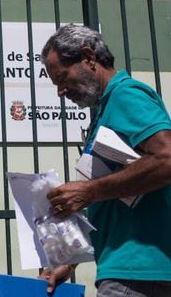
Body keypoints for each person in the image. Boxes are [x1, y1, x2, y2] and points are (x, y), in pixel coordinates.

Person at [38, 24, 171, 297]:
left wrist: (91, 190)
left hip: (137, 270)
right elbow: (115, 200)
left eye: (62, 78)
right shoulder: (105, 110)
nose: (60, 92)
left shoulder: (125, 95)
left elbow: (168, 158)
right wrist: (71, 260)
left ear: (88, 58)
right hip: (129, 268)